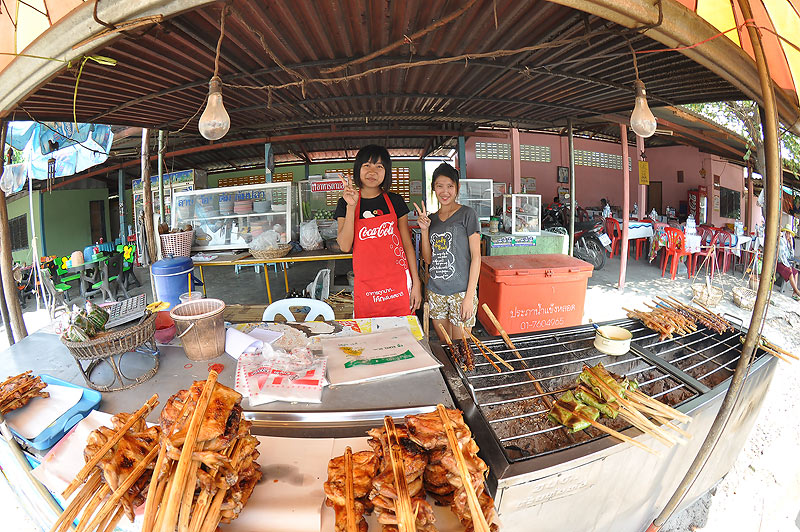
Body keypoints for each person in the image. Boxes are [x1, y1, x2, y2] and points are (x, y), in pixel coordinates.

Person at [336, 145, 422, 318]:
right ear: (358, 169)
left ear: (386, 172)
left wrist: (416, 284)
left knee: (401, 338)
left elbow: (407, 245)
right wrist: (351, 207)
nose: (372, 171)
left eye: (379, 166)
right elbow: (345, 246)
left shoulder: (395, 201)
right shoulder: (345, 202)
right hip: (367, 287)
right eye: (367, 165)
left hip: (397, 284)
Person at [415, 163, 481, 341]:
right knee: (446, 346)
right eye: (439, 186)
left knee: (462, 347)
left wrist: (469, 297)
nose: (445, 192)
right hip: (436, 292)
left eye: (450, 186)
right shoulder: (431, 220)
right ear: (433, 189)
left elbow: (476, 257)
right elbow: (428, 259)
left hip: (461, 292)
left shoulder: (468, 214)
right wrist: (424, 230)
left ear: (457, 188)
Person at [777, 224, 800, 300]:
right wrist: (788, 266)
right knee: (790, 272)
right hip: (780, 263)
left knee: (795, 272)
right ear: (785, 233)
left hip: (785, 263)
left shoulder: (787, 243)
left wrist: (791, 245)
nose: (788, 235)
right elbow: (781, 257)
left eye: (789, 233)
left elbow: (790, 256)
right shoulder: (781, 241)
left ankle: (794, 292)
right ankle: (797, 291)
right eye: (787, 233)